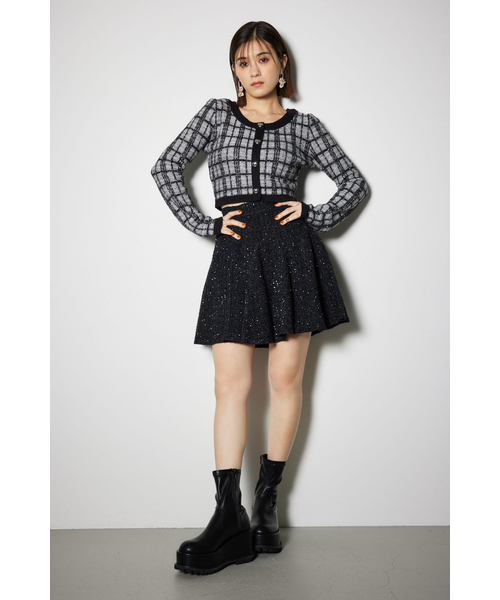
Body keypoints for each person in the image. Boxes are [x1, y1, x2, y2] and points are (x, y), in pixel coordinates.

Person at [151, 21, 368, 576]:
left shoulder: (305, 127)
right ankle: (228, 513)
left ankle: (266, 504)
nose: (254, 70)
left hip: (292, 258)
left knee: (285, 380)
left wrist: (315, 214)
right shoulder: (215, 115)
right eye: (243, 61)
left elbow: (353, 183)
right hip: (235, 257)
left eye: (263, 58)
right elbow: (166, 166)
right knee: (229, 384)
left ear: (281, 65)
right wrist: (203, 223)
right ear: (234, 70)